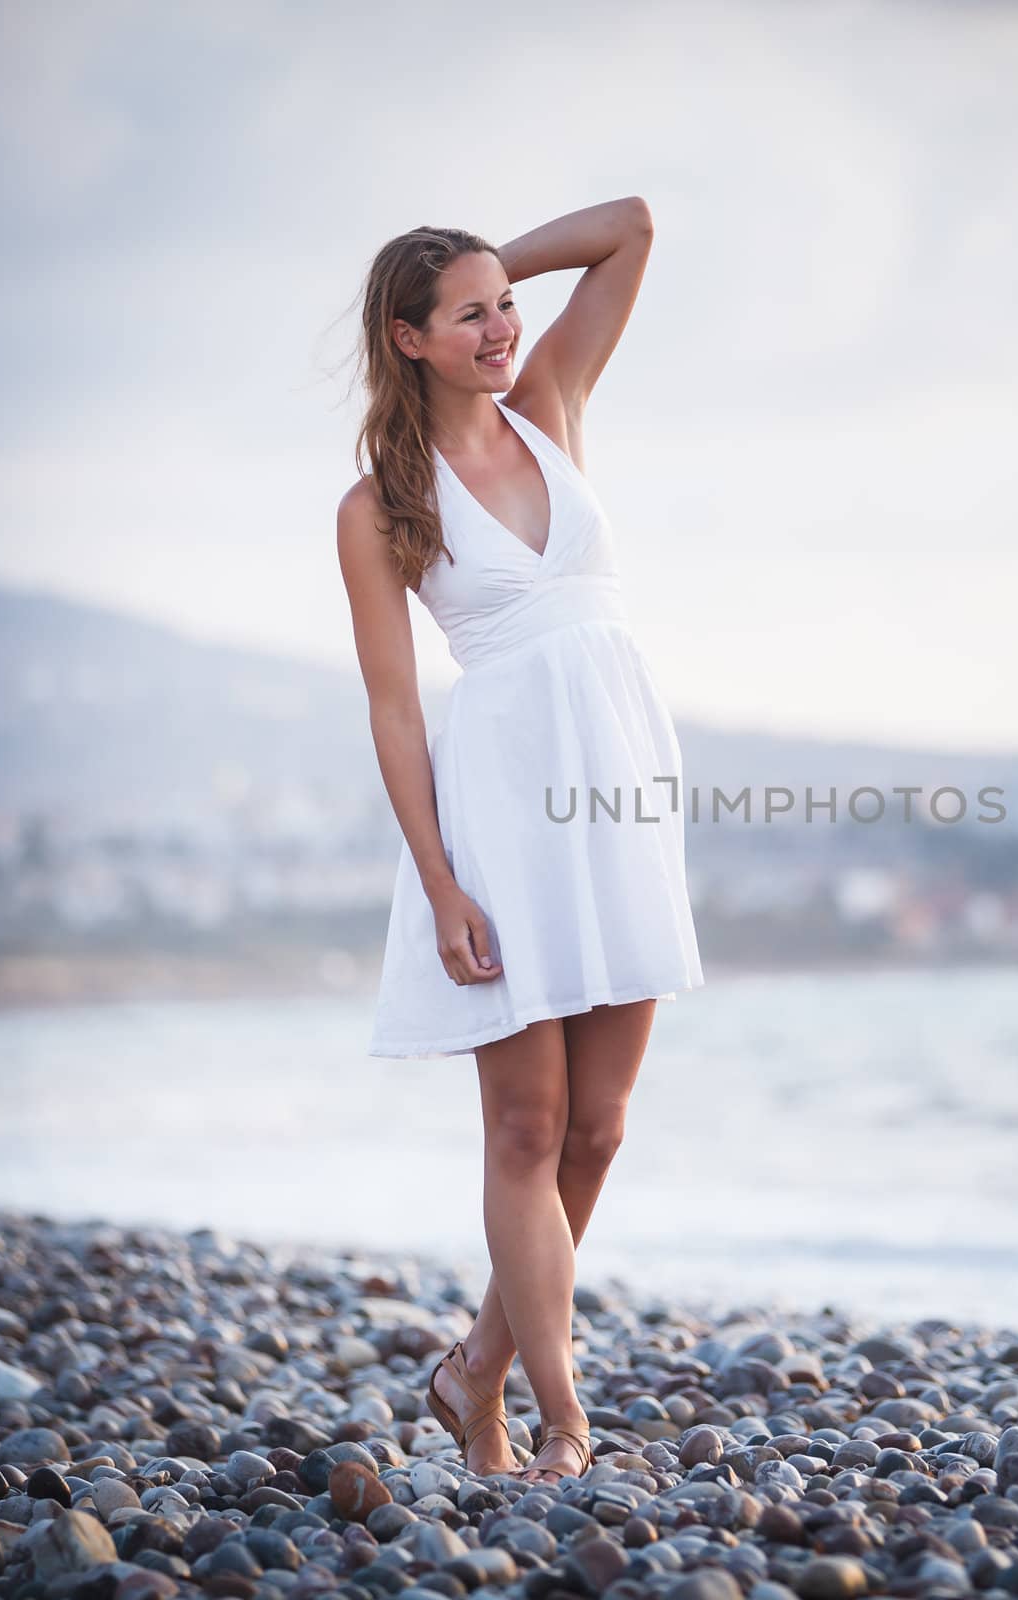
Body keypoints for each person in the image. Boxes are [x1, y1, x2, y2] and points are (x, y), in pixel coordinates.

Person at [336, 197, 705, 1485]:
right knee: (525, 1131)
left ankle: (472, 1368)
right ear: (408, 340)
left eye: (507, 304)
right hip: (499, 815)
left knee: (599, 1129)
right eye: (470, 313)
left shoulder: (552, 402)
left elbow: (631, 230)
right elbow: (393, 705)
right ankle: (561, 1417)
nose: (503, 327)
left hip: (621, 798)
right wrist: (441, 887)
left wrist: (496, 260)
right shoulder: (382, 502)